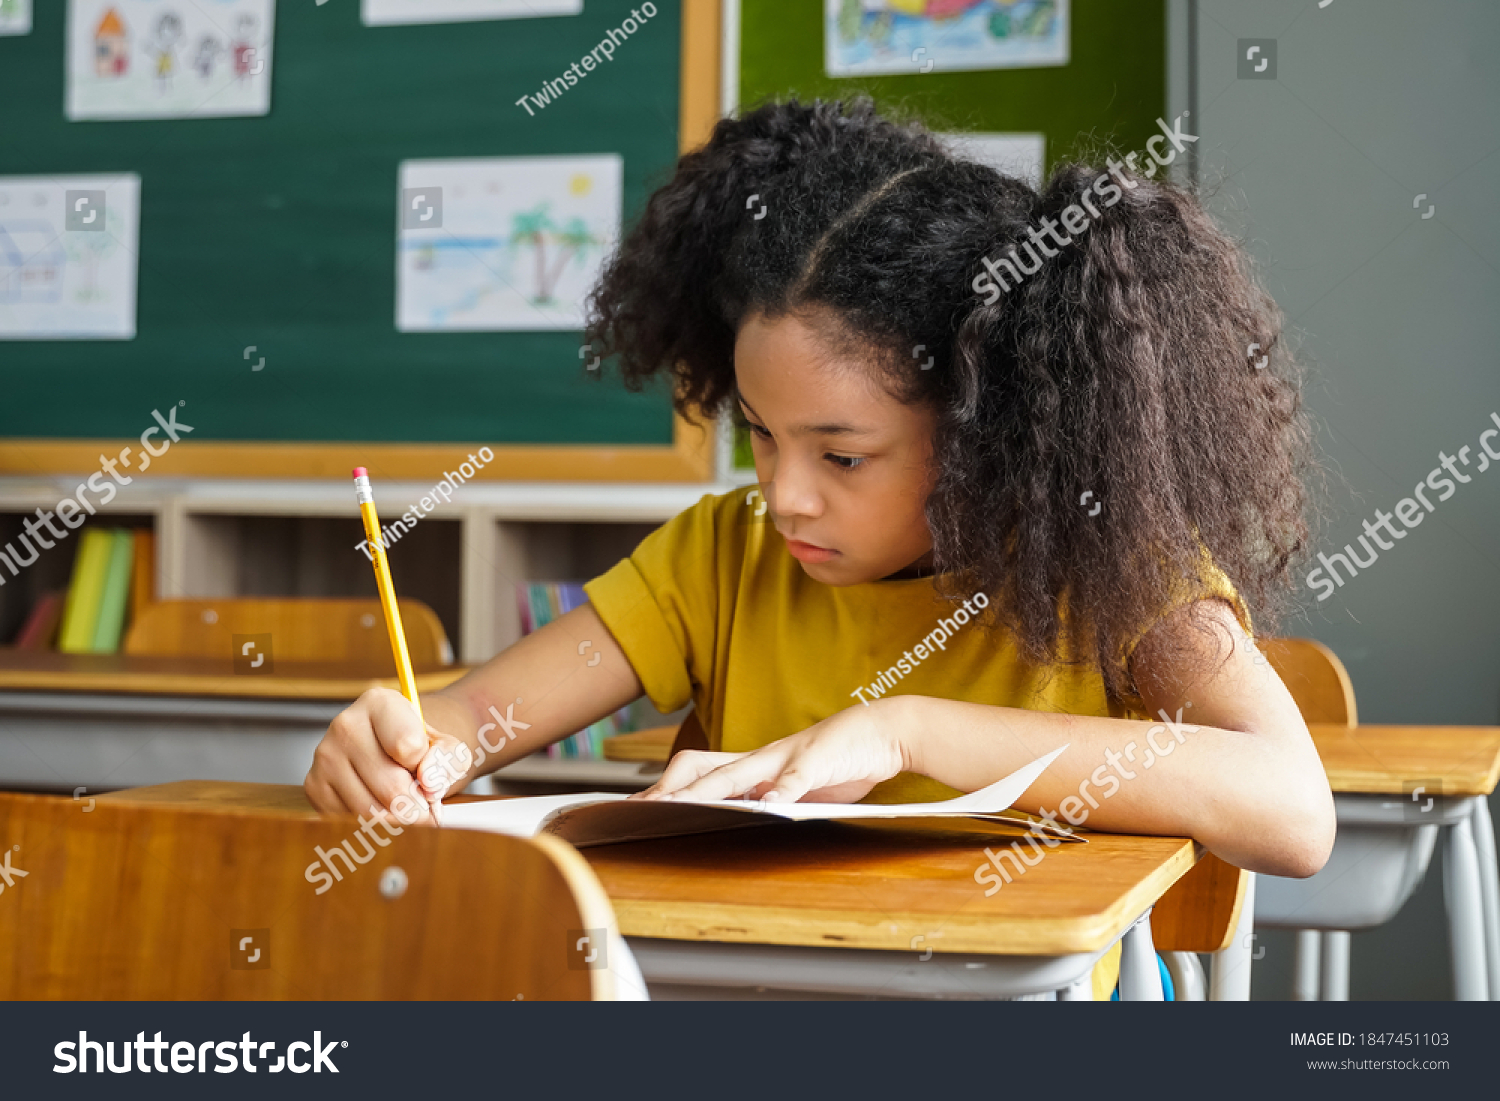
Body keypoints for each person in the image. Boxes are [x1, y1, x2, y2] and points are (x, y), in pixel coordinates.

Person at [305, 97, 1334, 900]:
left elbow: (1293, 812)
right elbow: (478, 715)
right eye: (759, 433)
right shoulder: (721, 554)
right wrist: (400, 745)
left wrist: (909, 730)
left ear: (984, 433)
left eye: (842, 457)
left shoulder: (1103, 566)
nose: (784, 496)